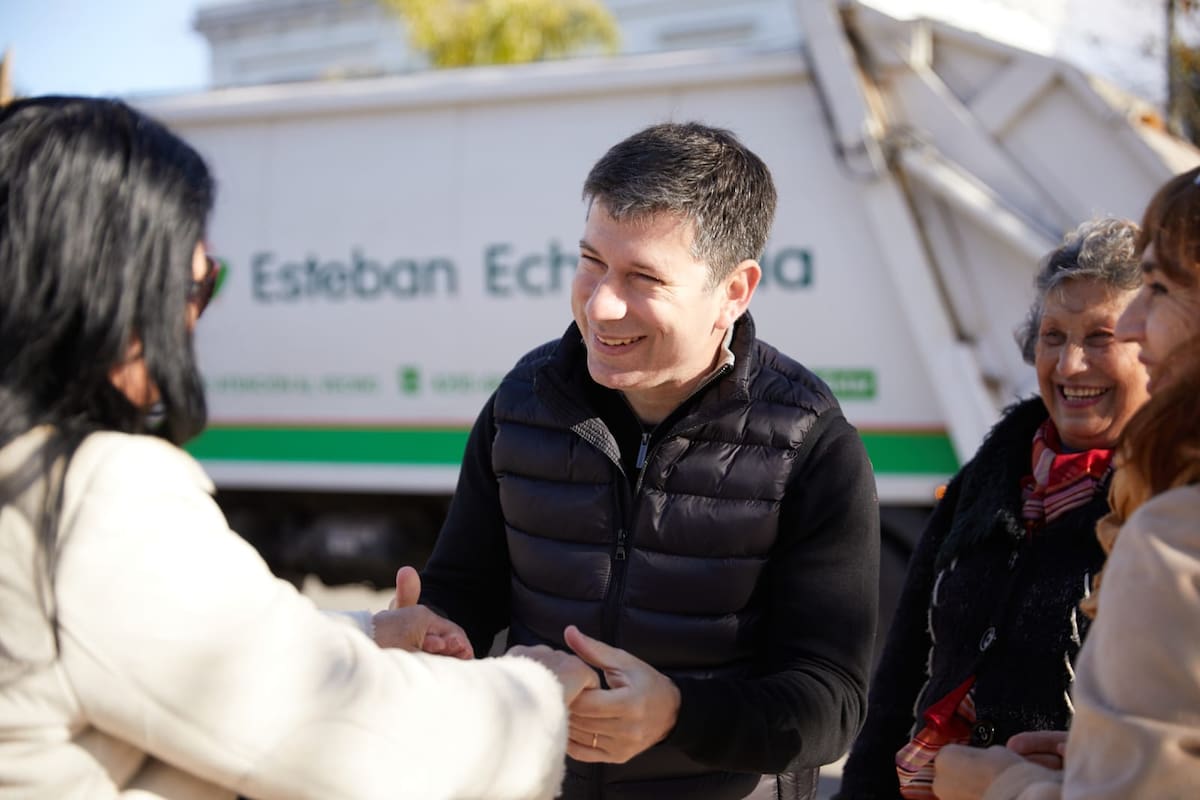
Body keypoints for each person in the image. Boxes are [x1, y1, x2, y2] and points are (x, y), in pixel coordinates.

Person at [0, 95, 598, 799]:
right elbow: (369, 743)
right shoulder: (85, 493)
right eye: (198, 285)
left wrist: (369, 632)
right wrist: (536, 690)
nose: (193, 318)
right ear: (111, 289)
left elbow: (162, 642)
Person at [414, 121, 881, 800]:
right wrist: (430, 631)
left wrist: (675, 716)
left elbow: (830, 703)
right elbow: (463, 587)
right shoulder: (523, 401)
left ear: (735, 291)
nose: (601, 304)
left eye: (643, 277)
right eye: (591, 261)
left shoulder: (812, 444)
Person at [833, 218, 1151, 800]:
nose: (1071, 365)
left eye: (1101, 338)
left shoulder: (1168, 503)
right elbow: (903, 673)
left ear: (1156, 351)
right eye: (1053, 336)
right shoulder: (989, 480)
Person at [932, 167, 1200, 800]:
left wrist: (1006, 785)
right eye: (1053, 337)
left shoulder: (1171, 529)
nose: (1137, 326)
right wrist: (1095, 755)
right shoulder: (990, 476)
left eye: (1158, 288)